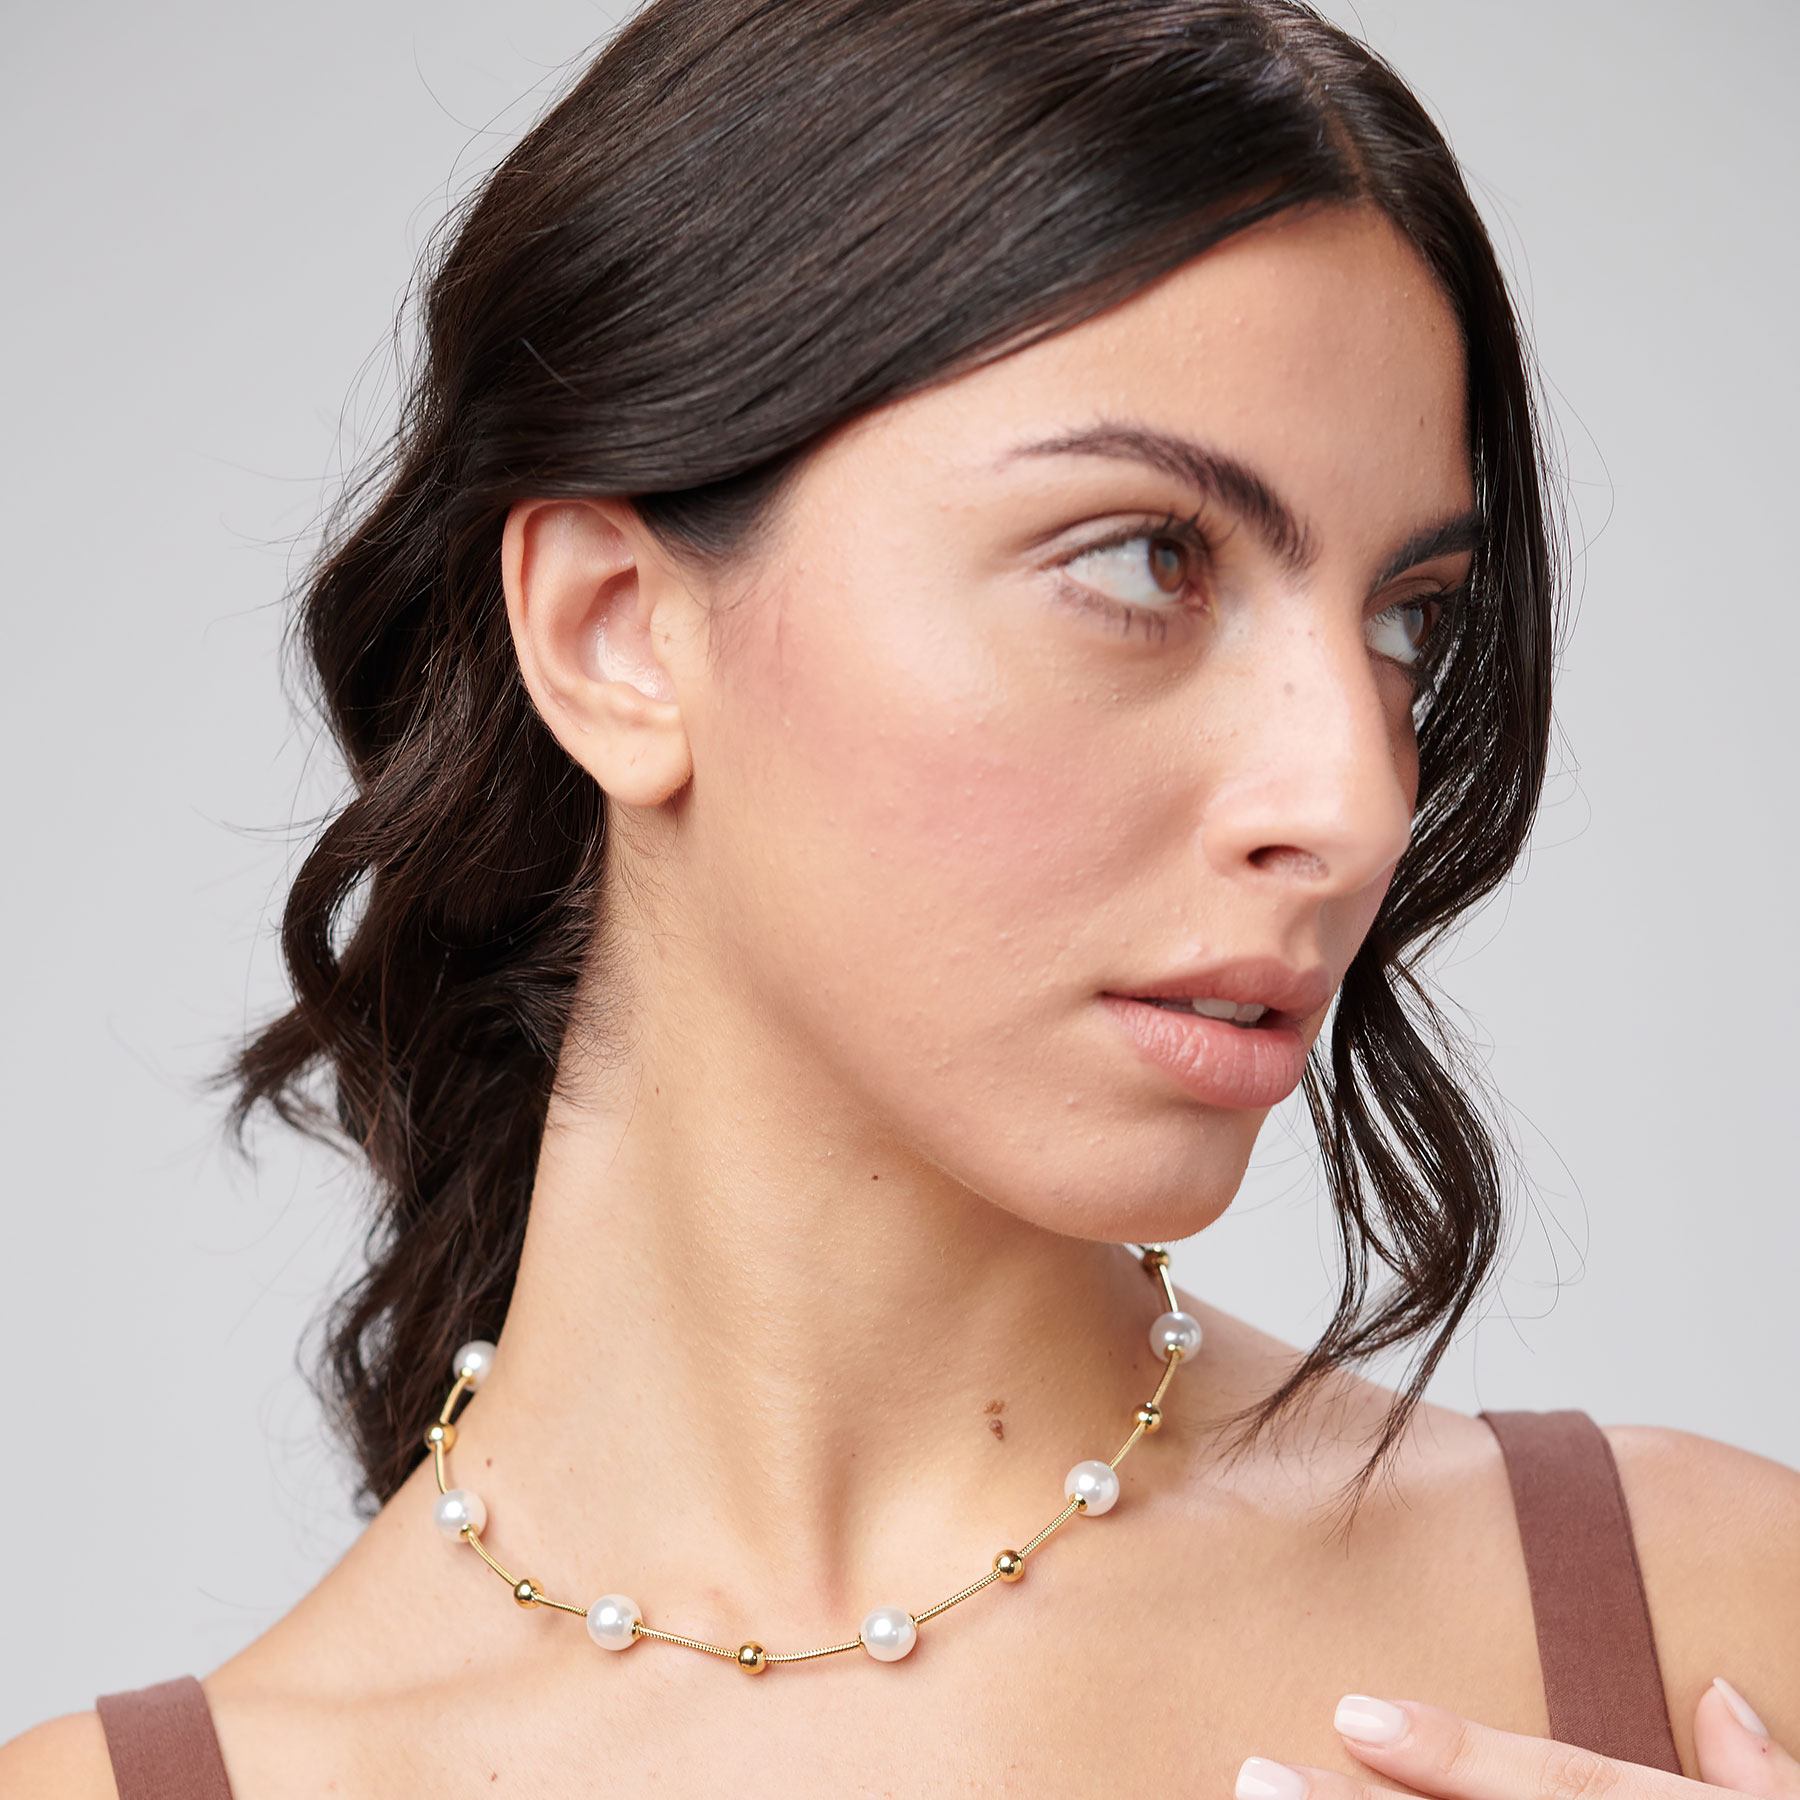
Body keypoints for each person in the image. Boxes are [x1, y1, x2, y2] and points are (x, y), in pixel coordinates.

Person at [6, 0, 1796, 1794]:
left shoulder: (1713, 1619)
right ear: (616, 634)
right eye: (1145, 560)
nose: (1351, 801)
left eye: (1407, 621)